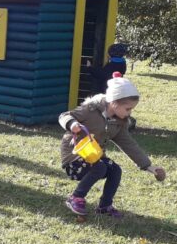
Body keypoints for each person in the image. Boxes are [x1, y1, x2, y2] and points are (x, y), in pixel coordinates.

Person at [57, 73, 166, 218]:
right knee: (100, 166)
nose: (130, 113)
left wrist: (147, 165)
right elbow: (64, 116)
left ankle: (104, 206)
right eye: (128, 109)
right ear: (114, 103)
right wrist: (72, 124)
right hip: (74, 157)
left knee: (115, 170)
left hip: (93, 157)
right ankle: (75, 197)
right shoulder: (90, 110)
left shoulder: (118, 123)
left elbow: (129, 144)